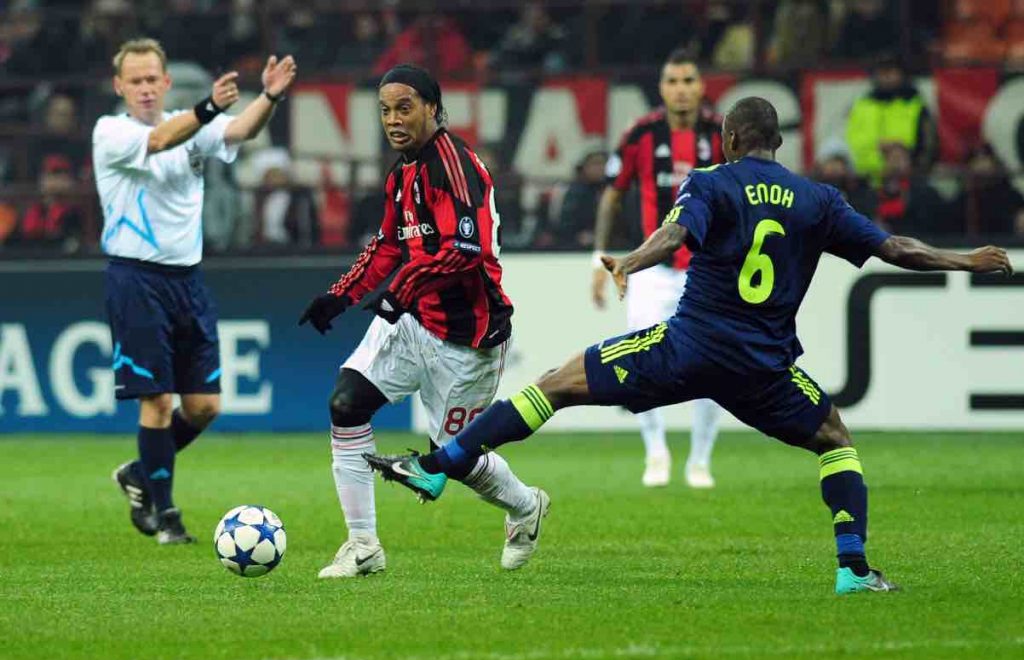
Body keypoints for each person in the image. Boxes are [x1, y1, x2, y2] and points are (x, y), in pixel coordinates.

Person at [365, 97, 1014, 595]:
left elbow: (676, 235)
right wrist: (970, 259)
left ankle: (439, 465)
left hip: (688, 346)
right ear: (779, 143)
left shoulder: (711, 181)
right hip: (764, 368)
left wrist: (629, 260)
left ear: (729, 140)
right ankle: (854, 569)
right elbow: (893, 249)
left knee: (558, 384)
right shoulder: (818, 199)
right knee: (836, 440)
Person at [298, 65, 546, 579]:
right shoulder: (401, 173)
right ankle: (363, 544)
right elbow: (389, 244)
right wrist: (340, 296)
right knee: (345, 404)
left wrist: (401, 290)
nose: (393, 119)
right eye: (385, 110)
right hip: (413, 323)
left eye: (404, 107)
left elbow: (467, 249)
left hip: (468, 338)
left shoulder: (453, 167)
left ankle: (525, 506)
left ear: (433, 107)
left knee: (452, 462)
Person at [96, 38, 296, 544]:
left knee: (205, 406)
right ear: (120, 87)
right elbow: (161, 140)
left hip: (188, 279)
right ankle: (166, 517)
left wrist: (268, 97)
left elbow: (241, 129)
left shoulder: (195, 125)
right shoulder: (111, 132)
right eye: (134, 81)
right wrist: (208, 107)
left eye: (151, 80)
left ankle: (140, 474)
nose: (143, 89)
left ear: (165, 83)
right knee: (158, 400)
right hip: (136, 279)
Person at [592, 49, 724, 489]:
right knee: (642, 362)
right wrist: (600, 258)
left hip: (708, 269)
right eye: (673, 81)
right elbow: (612, 195)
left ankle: (701, 461)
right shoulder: (640, 135)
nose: (681, 89)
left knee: (713, 368)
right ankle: (656, 453)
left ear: (701, 85)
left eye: (689, 80)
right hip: (651, 268)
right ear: (662, 88)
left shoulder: (723, 134)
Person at [845, 56, 937, 185]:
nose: (886, 76)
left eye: (891, 71)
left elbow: (928, 147)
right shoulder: (861, 105)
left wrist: (915, 172)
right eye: (882, 72)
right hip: (865, 182)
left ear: (902, 74)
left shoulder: (916, 105)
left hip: (906, 183)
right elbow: (850, 143)